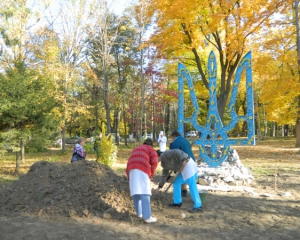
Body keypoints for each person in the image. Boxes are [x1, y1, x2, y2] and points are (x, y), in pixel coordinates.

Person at [126, 138, 159, 223]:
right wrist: (151, 173)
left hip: (131, 169)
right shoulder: (150, 149)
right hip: (142, 168)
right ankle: (147, 216)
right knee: (145, 191)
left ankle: (139, 213)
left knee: (135, 190)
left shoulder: (137, 148)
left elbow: (129, 160)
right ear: (151, 145)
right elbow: (155, 162)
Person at [169, 130, 195, 197]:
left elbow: (174, 154)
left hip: (183, 161)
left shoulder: (175, 142)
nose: (171, 139)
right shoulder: (185, 140)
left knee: (178, 176)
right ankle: (184, 190)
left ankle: (181, 191)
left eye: (171, 137)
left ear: (174, 136)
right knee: (186, 175)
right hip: (191, 159)